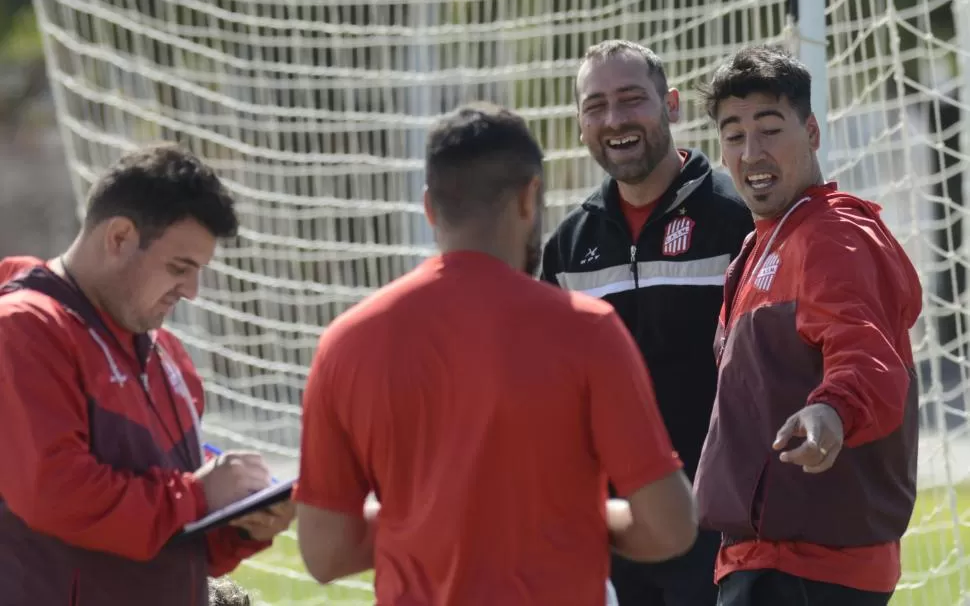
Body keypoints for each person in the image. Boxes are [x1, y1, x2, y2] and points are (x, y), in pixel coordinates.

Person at [293, 102, 698, 605]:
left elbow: (325, 551)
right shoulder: (587, 332)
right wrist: (570, 518)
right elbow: (671, 526)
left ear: (429, 207)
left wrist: (428, 520)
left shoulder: (345, 343)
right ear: (529, 198)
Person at [0, 144, 295, 606]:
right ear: (118, 237)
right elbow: (54, 493)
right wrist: (200, 495)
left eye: (198, 271)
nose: (193, 292)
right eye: (179, 268)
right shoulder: (22, 328)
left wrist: (240, 523)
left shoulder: (167, 353)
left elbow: (170, 533)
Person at [692, 45, 922, 606]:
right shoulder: (762, 244)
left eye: (770, 129)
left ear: (813, 131)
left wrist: (833, 409)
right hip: (760, 560)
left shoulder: (831, 234)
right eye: (734, 135)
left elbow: (864, 357)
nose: (751, 152)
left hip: (809, 571)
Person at [539, 39, 754, 606]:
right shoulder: (567, 247)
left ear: (673, 106)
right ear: (580, 122)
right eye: (596, 106)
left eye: (632, 99)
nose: (614, 120)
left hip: (724, 529)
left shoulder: (739, 222)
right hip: (613, 533)